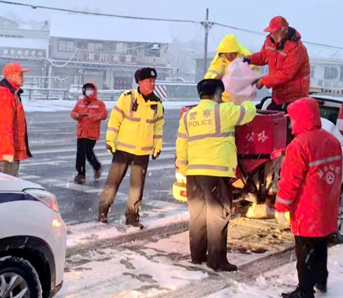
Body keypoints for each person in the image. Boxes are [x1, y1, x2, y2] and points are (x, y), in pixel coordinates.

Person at [177, 78, 256, 271]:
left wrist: (183, 168)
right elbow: (249, 112)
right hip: (216, 172)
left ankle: (197, 256)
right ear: (216, 95)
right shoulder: (224, 111)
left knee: (197, 216)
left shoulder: (188, 116)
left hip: (194, 173)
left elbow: (181, 144)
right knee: (217, 216)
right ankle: (217, 261)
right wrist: (242, 98)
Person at [274, 97, 343, 298]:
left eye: (293, 119)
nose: (291, 123)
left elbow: (290, 181)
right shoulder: (332, 141)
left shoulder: (299, 145)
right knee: (320, 245)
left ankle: (305, 290)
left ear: (301, 118)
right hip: (327, 204)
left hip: (307, 206)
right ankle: (320, 280)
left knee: (304, 250)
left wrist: (281, 207)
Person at [98, 67, 164, 228]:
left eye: (153, 81)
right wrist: (110, 140)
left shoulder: (157, 103)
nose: (152, 83)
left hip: (142, 152)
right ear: (139, 82)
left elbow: (158, 127)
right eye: (149, 80)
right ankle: (103, 211)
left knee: (137, 187)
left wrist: (157, 145)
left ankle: (132, 217)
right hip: (123, 150)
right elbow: (115, 120)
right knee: (112, 183)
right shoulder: (127, 98)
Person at [245, 16, 311, 111]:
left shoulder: (296, 48)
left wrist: (263, 81)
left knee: (287, 122)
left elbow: (286, 73)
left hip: (294, 97)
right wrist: (249, 59)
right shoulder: (270, 42)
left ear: (285, 30)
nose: (273, 35)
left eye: (276, 32)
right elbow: (264, 56)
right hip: (278, 95)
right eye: (271, 33)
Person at [0, 62, 31, 177]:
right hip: (8, 150)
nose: (23, 78)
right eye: (20, 75)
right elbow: (3, 126)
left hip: (11, 148)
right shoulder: (5, 95)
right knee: (9, 185)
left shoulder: (12, 93)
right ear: (10, 76)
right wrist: (7, 153)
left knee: (7, 183)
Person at [71, 82, 108, 183]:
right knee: (80, 153)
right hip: (81, 132)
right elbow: (73, 112)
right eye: (87, 89)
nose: (89, 91)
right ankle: (81, 173)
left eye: (90, 89)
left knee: (87, 152)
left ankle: (96, 166)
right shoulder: (80, 102)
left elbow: (104, 114)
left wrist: (93, 116)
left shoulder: (99, 103)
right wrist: (76, 115)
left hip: (92, 133)